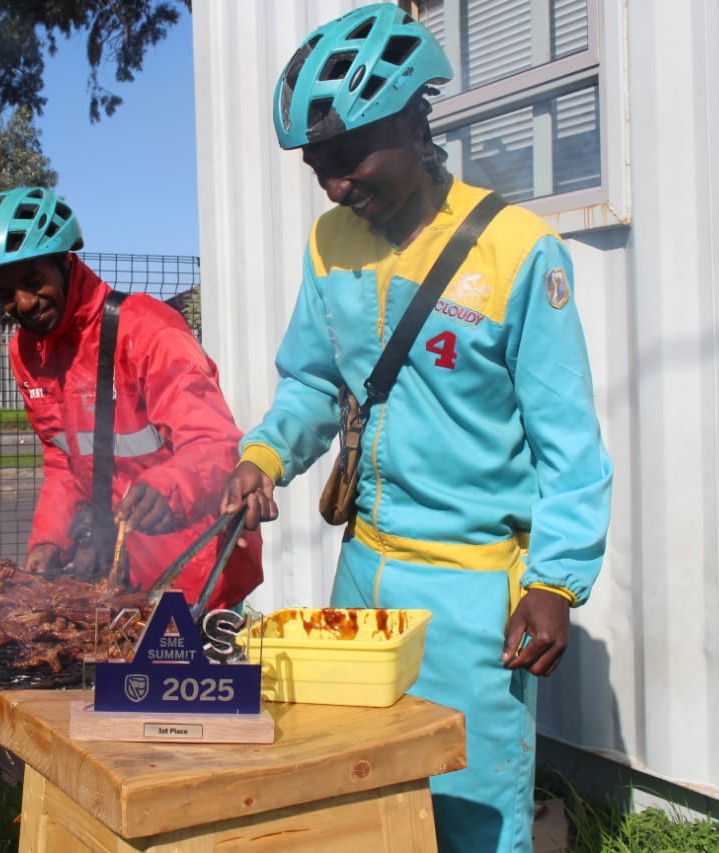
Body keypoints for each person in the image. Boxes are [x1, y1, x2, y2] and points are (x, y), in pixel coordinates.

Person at [218, 5, 612, 851]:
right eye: (317, 167)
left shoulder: (518, 250)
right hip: (361, 576)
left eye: (348, 158)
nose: (333, 186)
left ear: (411, 122)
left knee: (470, 814)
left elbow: (569, 443)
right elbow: (314, 380)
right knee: (354, 806)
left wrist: (555, 580)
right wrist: (265, 455)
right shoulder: (329, 244)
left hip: (471, 590)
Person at [0, 185, 262, 611]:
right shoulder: (26, 353)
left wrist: (167, 487)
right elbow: (63, 459)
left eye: (32, 282)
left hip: (194, 564)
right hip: (121, 572)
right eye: (4, 295)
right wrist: (49, 541)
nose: (22, 303)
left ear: (64, 262)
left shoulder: (147, 330)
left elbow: (215, 443)